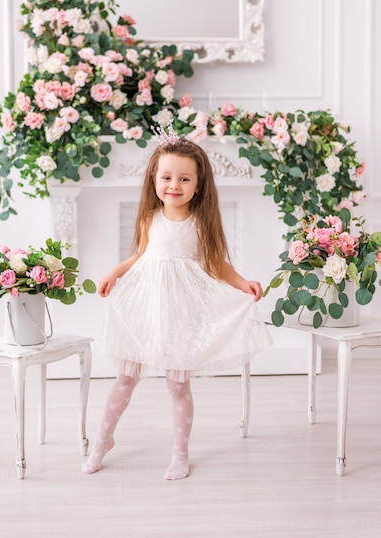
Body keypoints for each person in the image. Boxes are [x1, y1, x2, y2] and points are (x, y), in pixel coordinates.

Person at [82, 132, 272, 480]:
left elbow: (217, 263)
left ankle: (180, 453)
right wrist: (115, 272)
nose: (174, 185)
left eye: (184, 179)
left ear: (198, 186)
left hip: (181, 310)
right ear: (154, 179)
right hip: (143, 306)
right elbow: (140, 256)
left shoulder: (201, 224)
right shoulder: (148, 219)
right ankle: (101, 441)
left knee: (178, 384)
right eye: (166, 177)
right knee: (125, 378)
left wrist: (243, 282)